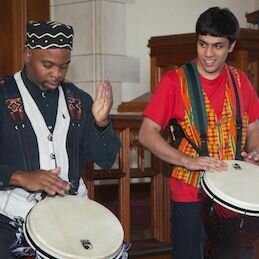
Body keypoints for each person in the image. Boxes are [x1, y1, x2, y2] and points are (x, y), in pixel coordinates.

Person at [138, 7, 259, 259]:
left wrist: (253, 150)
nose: (208, 54)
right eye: (202, 44)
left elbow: (253, 126)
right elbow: (146, 134)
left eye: (217, 46)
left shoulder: (240, 81)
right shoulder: (174, 81)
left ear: (231, 46)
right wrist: (187, 161)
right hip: (189, 192)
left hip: (233, 193)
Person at [0, 20, 120, 258]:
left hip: (71, 215)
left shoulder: (78, 99)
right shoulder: (3, 95)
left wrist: (101, 123)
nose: (56, 74)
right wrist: (20, 176)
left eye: (64, 66)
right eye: (48, 64)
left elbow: (106, 159)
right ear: (27, 54)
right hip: (11, 217)